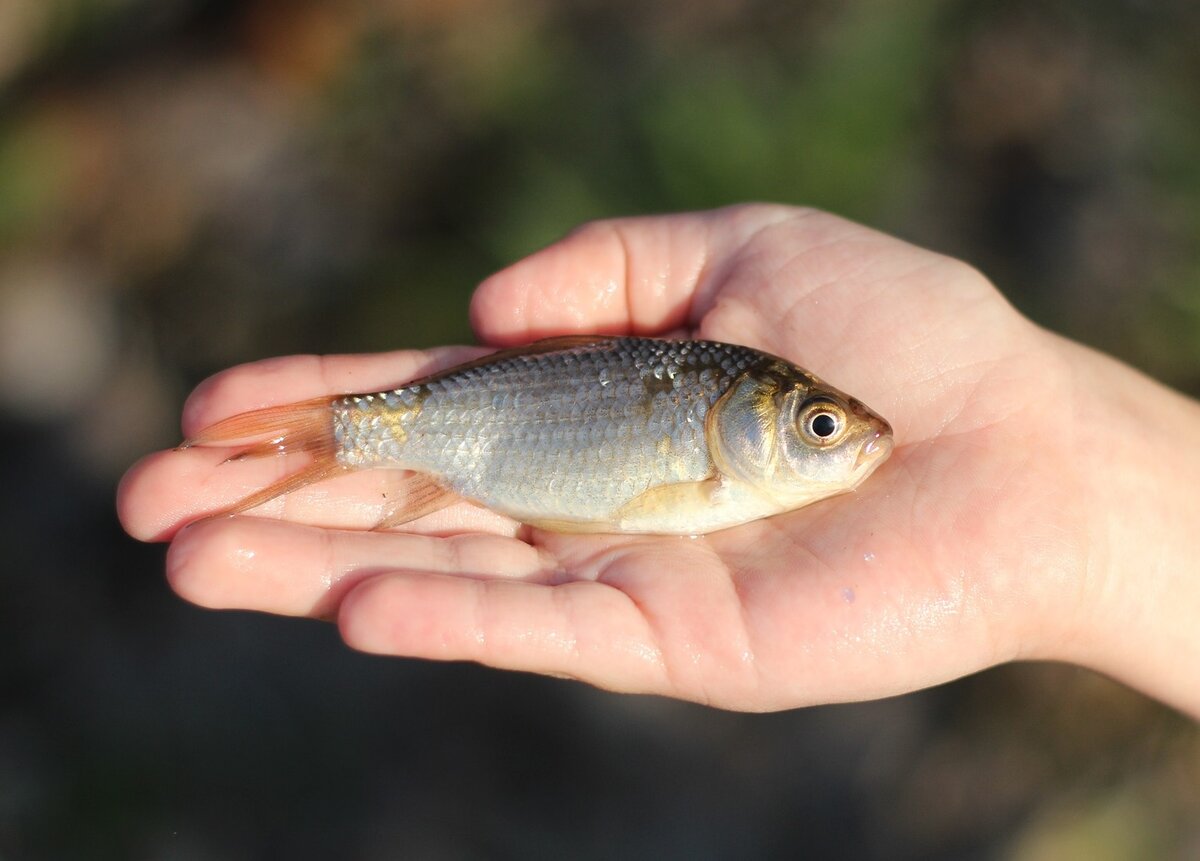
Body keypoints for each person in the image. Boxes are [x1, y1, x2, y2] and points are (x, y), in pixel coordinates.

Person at [117, 205, 1200, 718]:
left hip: (482, 441)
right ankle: (320, 435)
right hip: (468, 430)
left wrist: (1069, 489)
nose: (851, 443)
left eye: (821, 427)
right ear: (745, 417)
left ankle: (313, 438)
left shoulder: (738, 423)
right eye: (818, 427)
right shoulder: (715, 422)